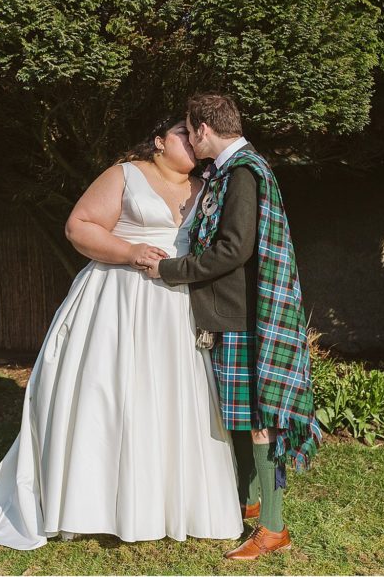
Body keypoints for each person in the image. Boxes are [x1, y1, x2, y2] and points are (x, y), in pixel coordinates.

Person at [0, 117, 243, 549]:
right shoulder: (125, 175)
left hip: (176, 306)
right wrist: (129, 251)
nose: (193, 139)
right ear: (159, 141)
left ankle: (170, 505)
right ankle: (92, 504)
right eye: (183, 133)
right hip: (117, 299)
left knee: (170, 397)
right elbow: (79, 226)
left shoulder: (206, 188)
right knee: (106, 396)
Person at [141, 93, 322, 560]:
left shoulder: (243, 172)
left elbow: (233, 249)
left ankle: (274, 529)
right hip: (237, 311)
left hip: (248, 315)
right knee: (241, 418)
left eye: (189, 130)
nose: (188, 140)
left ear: (204, 129)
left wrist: (170, 270)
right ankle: (249, 502)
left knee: (261, 422)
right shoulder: (232, 170)